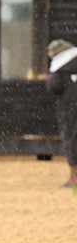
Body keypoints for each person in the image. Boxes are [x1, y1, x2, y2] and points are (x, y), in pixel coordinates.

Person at [46, 38, 77, 187]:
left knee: (72, 142)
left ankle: (74, 179)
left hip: (69, 111)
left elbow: (53, 87)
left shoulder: (59, 71)